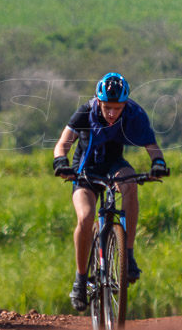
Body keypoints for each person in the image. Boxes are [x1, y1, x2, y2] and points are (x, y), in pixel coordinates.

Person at [52, 72, 170, 311]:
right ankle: (81, 280)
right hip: (84, 170)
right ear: (98, 102)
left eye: (117, 108)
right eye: (107, 108)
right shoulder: (86, 112)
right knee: (85, 217)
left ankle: (128, 254)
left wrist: (157, 165)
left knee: (130, 183)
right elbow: (62, 144)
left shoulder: (134, 113)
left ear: (125, 104)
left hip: (114, 165)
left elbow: (153, 149)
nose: (112, 113)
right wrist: (60, 163)